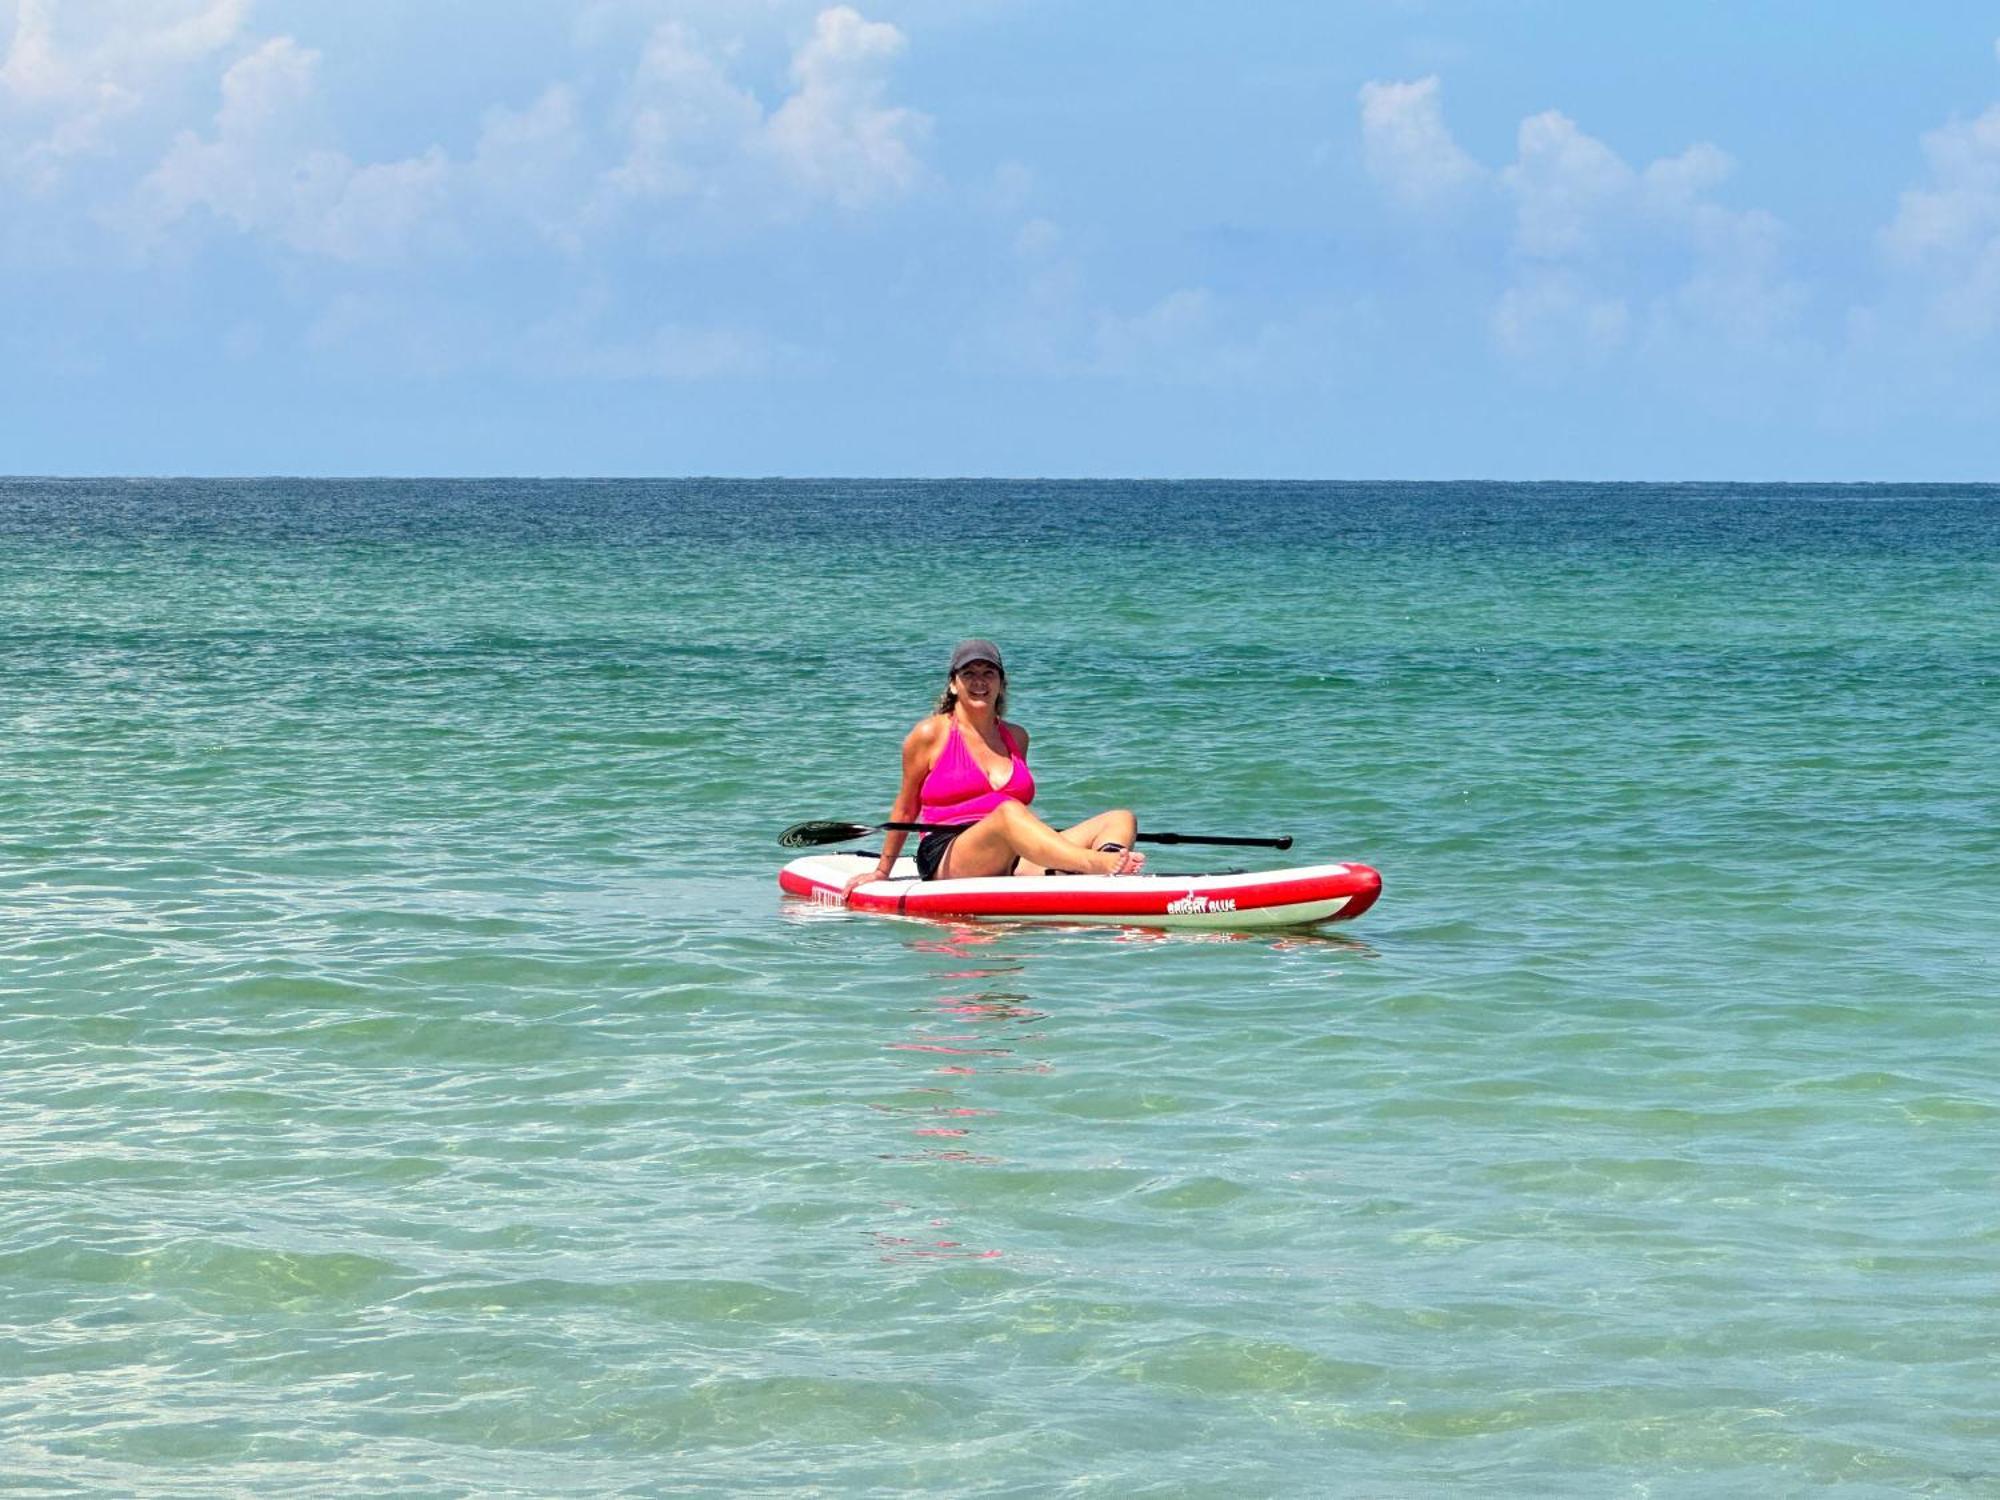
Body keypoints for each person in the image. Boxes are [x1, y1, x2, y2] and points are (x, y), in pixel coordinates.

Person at [842, 639, 1144, 900]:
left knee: (1120, 818)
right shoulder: (929, 734)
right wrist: (882, 871)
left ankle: (1110, 873)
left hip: (1011, 853)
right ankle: (1096, 864)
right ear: (953, 684)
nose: (979, 682)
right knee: (1008, 812)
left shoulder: (1017, 737)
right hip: (948, 853)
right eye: (969, 674)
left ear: (1001, 684)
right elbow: (907, 808)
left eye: (989, 673)